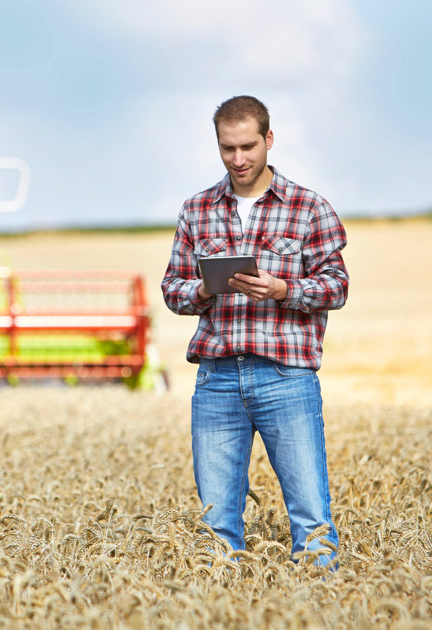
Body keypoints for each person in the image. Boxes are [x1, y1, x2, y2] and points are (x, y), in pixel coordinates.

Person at [161, 95, 349, 567]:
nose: (238, 159)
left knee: (311, 518)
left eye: (247, 146)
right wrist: (203, 290)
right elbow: (171, 288)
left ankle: (324, 607)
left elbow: (337, 286)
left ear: (269, 139)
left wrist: (283, 289)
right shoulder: (196, 209)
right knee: (216, 523)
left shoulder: (309, 208)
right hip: (217, 378)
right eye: (227, 149)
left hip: (286, 377)